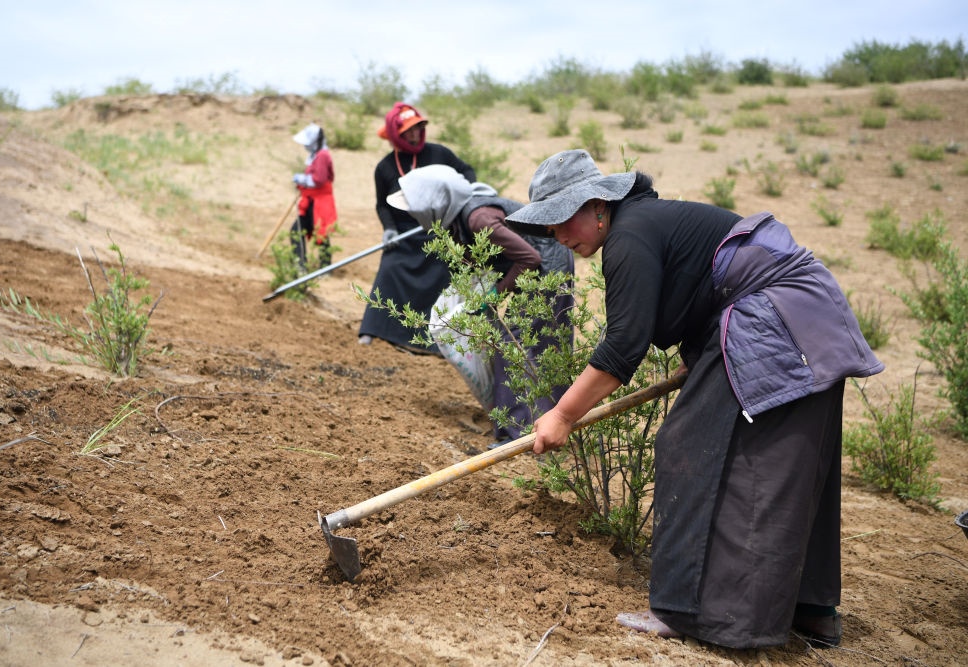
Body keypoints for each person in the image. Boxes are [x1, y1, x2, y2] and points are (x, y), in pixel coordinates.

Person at [505, 149, 884, 649]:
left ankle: (693, 612)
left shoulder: (629, 235)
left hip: (774, 318)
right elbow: (702, 284)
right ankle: (811, 610)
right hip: (807, 320)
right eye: (548, 228)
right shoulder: (647, 221)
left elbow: (623, 345)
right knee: (792, 459)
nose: (558, 236)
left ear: (598, 204)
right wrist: (703, 355)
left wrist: (562, 414)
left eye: (561, 219)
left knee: (690, 447)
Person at [385, 164, 574, 445]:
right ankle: (553, 423)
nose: (414, 215)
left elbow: (530, 258)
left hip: (547, 270)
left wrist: (493, 295)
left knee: (515, 345)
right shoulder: (462, 217)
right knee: (538, 345)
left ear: (434, 204)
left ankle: (518, 433)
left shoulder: (477, 218)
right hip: (539, 269)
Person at [358, 102, 475, 354]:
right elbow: (382, 205)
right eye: (407, 131)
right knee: (390, 268)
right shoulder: (385, 167)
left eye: (418, 128)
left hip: (440, 229)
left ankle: (444, 338)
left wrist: (466, 196)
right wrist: (389, 229)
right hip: (404, 233)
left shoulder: (440, 154)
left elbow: (467, 172)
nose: (414, 134)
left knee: (449, 272)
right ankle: (373, 329)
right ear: (394, 135)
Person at [291, 123, 336, 268]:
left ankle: (322, 267)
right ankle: (302, 265)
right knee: (302, 230)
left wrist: (301, 179)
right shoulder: (317, 155)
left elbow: (319, 179)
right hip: (312, 200)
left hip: (320, 201)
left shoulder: (322, 155)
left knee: (320, 232)